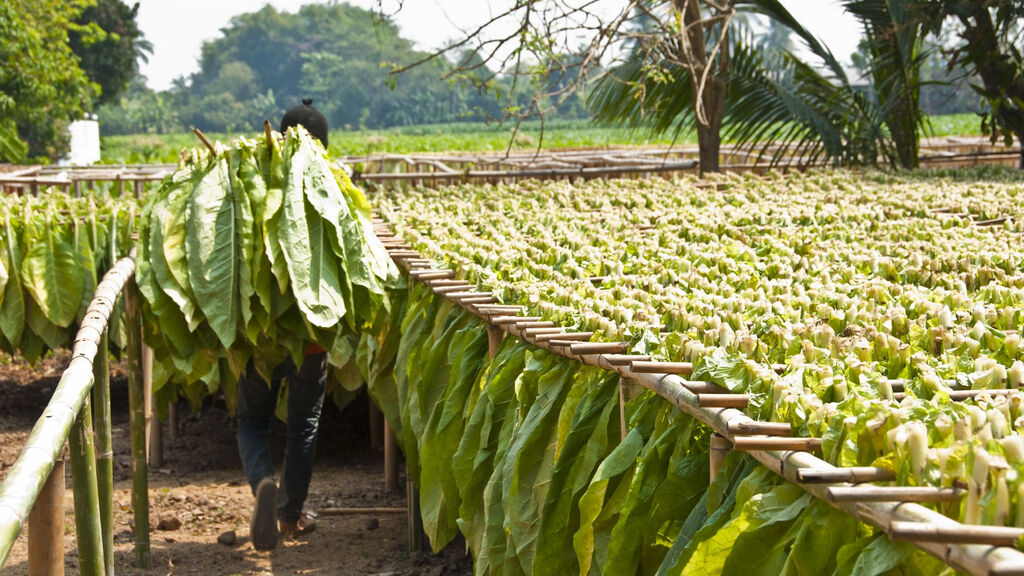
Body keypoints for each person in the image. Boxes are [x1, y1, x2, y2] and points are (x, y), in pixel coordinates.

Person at [237, 99, 330, 551]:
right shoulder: (334, 189)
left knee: (252, 419)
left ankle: (261, 484)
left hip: (260, 335)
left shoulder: (250, 184)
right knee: (303, 423)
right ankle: (290, 517)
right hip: (311, 336)